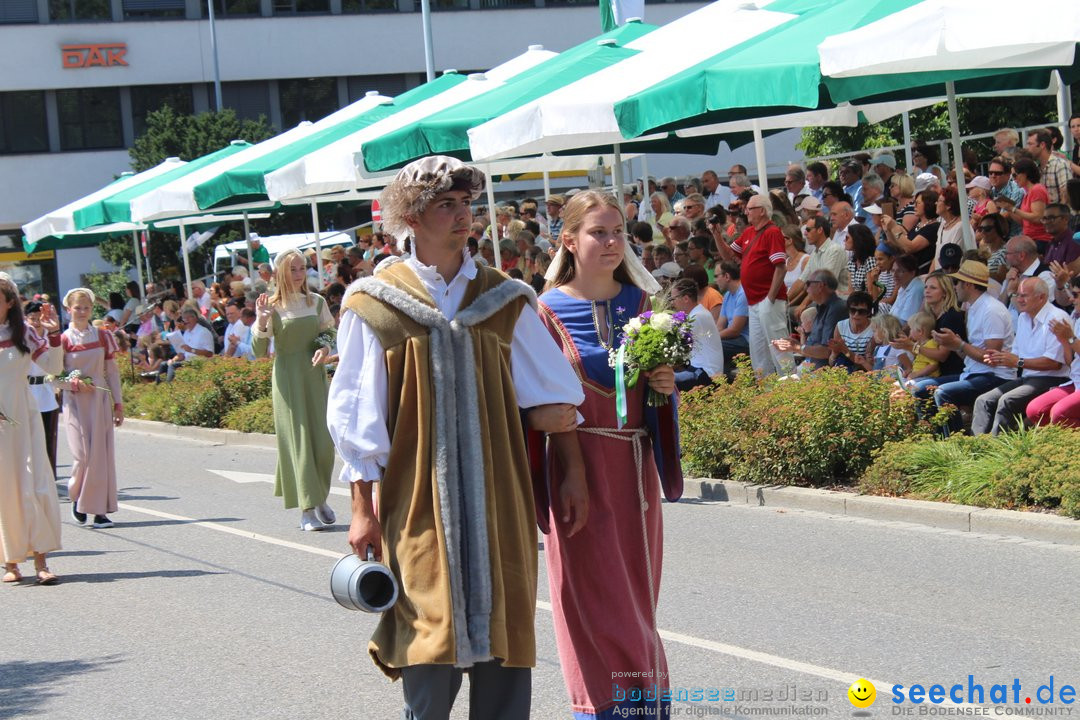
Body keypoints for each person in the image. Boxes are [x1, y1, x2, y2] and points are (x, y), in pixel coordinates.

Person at [327, 157, 585, 720]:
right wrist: (362, 510)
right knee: (426, 629)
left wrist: (573, 472)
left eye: (467, 204)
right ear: (410, 218)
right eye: (447, 204)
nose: (463, 215)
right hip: (415, 497)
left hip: (500, 496)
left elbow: (556, 397)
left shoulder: (506, 297)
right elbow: (356, 418)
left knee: (505, 631)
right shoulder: (375, 303)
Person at [537, 188, 682, 720]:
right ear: (569, 240)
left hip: (633, 469)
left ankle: (648, 705)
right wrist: (570, 471)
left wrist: (664, 386)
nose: (613, 242)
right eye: (599, 232)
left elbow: (652, 400)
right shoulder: (544, 312)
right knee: (591, 597)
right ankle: (602, 708)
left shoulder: (641, 305)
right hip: (577, 472)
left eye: (618, 230)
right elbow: (543, 402)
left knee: (636, 594)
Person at [251, 249, 336, 532]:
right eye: (293, 269)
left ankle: (320, 496)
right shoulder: (271, 306)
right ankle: (307, 509)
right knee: (298, 441)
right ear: (280, 274)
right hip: (288, 377)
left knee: (322, 442)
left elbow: (328, 332)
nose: (299, 274)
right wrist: (262, 320)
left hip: (314, 375)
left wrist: (324, 347)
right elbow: (260, 351)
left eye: (302, 268)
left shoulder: (317, 301)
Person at [1, 277, 63, 585]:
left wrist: (53, 334)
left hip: (24, 416)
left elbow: (54, 367)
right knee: (4, 490)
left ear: (9, 302)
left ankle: (41, 559)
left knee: (35, 481)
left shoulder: (24, 332)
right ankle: (11, 561)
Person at [919, 261, 1014, 434]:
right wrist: (953, 345)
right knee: (919, 389)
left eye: (957, 283)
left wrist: (959, 344)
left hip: (995, 376)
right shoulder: (973, 308)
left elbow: (992, 360)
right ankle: (932, 440)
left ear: (968, 284)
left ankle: (955, 444)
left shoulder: (991, 310)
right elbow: (970, 356)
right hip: (974, 372)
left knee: (942, 393)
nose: (955, 287)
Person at [60, 288, 124, 529]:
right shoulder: (64, 340)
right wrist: (73, 382)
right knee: (82, 454)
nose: (82, 312)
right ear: (69, 310)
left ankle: (99, 511)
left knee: (101, 456)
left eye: (86, 307)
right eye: (78, 308)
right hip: (75, 400)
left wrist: (118, 404)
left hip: (99, 398)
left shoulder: (102, 336)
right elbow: (53, 375)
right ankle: (77, 496)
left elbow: (113, 372)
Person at [973, 278, 1070, 435]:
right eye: (1017, 295)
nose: (1019, 299)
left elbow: (1054, 363)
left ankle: (998, 453)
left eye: (1024, 295)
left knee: (1007, 401)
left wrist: (1017, 362)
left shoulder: (1057, 317)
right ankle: (976, 450)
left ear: (1042, 297)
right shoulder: (1023, 317)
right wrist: (1000, 358)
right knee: (984, 401)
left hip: (1053, 380)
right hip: (1028, 378)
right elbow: (1016, 355)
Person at [714, 194, 792, 376]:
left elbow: (781, 266)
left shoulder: (772, 232)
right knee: (758, 352)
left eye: (750, 208)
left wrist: (770, 298)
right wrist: (716, 234)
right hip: (754, 301)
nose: (746, 211)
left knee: (779, 346)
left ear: (762, 211)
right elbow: (728, 256)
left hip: (767, 300)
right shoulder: (749, 232)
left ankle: (791, 388)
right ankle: (766, 392)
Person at [1026, 288, 1080, 427]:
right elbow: (1071, 363)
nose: (1071, 299)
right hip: (1076, 382)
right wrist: (1064, 340)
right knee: (1035, 410)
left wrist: (1071, 338)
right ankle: (1056, 446)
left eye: (1075, 295)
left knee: (1060, 413)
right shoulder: (1077, 319)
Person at [670, 278, 724, 390]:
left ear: (685, 298)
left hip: (707, 375)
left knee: (666, 382)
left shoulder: (697, 317)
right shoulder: (697, 313)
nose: (672, 303)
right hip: (699, 370)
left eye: (673, 299)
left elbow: (678, 347)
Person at [1004, 158, 1050, 254]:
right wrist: (1009, 209)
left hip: (1040, 240)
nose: (1013, 179)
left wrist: (1013, 209)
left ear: (1025, 174)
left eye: (1015, 175)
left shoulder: (1036, 190)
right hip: (1032, 239)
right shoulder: (1028, 192)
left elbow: (1038, 217)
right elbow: (1023, 221)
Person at [716, 261, 751, 377]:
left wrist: (711, 339)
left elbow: (735, 330)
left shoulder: (743, 293)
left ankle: (718, 382)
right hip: (734, 339)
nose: (715, 280)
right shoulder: (727, 295)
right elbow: (720, 325)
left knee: (717, 345)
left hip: (746, 340)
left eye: (717, 276)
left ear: (727, 276)